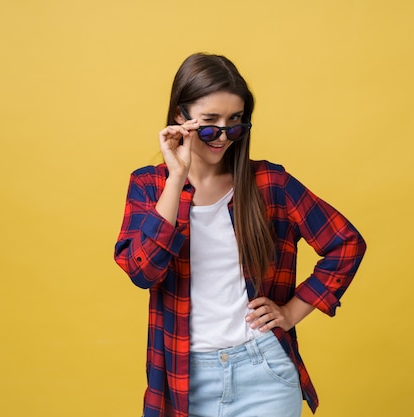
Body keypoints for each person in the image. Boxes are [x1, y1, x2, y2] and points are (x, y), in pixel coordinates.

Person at [114, 52, 366, 417]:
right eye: (209, 122)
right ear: (179, 118)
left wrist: (292, 312)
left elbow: (345, 242)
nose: (222, 136)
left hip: (263, 372)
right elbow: (143, 272)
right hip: (184, 378)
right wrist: (176, 178)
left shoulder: (270, 183)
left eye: (235, 123)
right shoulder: (150, 185)